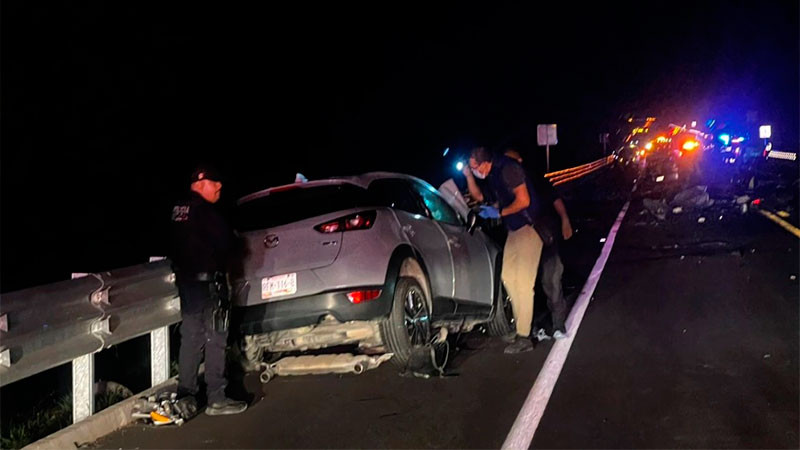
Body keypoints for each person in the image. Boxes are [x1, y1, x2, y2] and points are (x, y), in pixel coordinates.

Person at [169, 166, 248, 416]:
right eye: (215, 183)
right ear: (201, 184)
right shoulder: (205, 212)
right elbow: (229, 244)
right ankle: (216, 397)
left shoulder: (177, 211)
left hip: (187, 285)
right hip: (209, 286)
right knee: (216, 339)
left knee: (191, 339)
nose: (219, 187)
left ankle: (186, 396)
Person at [461, 147, 542, 353]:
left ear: (485, 162)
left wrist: (499, 212)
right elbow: (479, 197)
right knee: (508, 277)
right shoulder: (493, 173)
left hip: (530, 227)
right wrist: (469, 176)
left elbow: (524, 200)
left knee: (523, 282)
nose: (474, 170)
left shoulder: (508, 168)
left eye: (474, 167)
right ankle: (521, 329)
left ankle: (525, 336)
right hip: (514, 230)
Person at [504, 148, 572, 340]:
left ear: (519, 161)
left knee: (551, 280)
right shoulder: (505, 187)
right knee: (526, 285)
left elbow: (555, 199)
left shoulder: (534, 179)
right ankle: (532, 327)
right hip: (524, 241)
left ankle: (558, 325)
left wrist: (565, 220)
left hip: (545, 237)